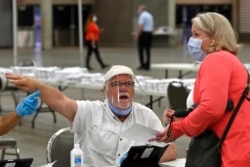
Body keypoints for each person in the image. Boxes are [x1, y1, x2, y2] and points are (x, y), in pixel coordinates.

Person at [6, 65, 177, 167]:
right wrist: (36, 86)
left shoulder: (145, 115)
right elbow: (59, 100)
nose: (123, 88)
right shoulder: (90, 112)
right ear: (105, 90)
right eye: (116, 84)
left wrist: (139, 159)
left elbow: (171, 149)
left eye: (128, 84)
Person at [155, 12, 250, 166]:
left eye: (196, 34)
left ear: (215, 37)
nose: (191, 40)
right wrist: (183, 116)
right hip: (237, 148)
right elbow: (221, 105)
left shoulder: (216, 59)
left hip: (224, 152)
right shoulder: (229, 59)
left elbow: (211, 108)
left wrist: (178, 128)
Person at [135, 4, 154, 71]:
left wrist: (137, 35)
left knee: (141, 50)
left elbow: (141, 26)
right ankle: (147, 65)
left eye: (139, 9)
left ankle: (142, 65)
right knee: (148, 50)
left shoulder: (142, 16)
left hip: (144, 34)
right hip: (149, 34)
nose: (138, 10)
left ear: (142, 9)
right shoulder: (150, 15)